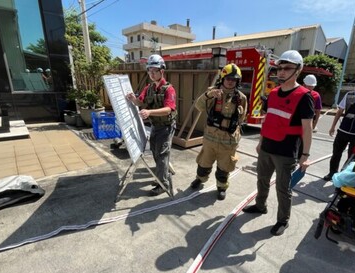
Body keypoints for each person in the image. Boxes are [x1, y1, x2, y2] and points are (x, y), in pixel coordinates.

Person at [242, 50, 314, 236]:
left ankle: (283, 220)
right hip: (267, 147)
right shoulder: (273, 93)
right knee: (262, 180)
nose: (281, 72)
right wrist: (261, 141)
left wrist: (305, 156)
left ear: (298, 70)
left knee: (283, 188)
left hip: (286, 151)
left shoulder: (304, 96)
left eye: (287, 68)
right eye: (280, 68)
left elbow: (307, 129)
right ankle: (260, 206)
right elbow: (268, 120)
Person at [189, 63, 248, 200]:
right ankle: (200, 179)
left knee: (224, 166)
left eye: (234, 79)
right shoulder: (212, 92)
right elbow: (198, 106)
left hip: (228, 140)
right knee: (204, 162)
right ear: (222, 78)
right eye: (228, 78)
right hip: (211, 137)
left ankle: (221, 187)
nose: (230, 81)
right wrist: (208, 95)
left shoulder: (241, 98)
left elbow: (242, 117)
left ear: (237, 81)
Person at [126, 54, 177, 196]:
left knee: (161, 155)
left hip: (166, 127)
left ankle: (163, 184)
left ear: (162, 71)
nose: (152, 73)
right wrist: (132, 99)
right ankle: (162, 177)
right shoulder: (148, 88)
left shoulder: (169, 89)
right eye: (150, 70)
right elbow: (140, 102)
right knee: (156, 152)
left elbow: (169, 109)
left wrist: (150, 112)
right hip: (155, 126)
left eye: (155, 70)